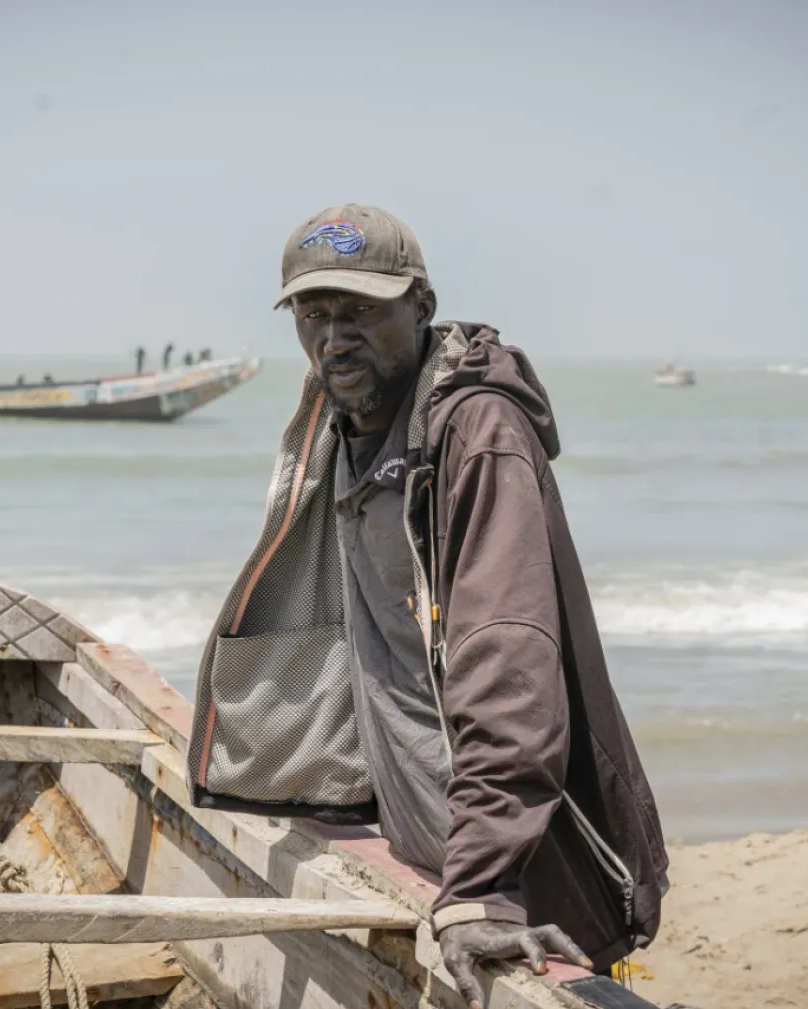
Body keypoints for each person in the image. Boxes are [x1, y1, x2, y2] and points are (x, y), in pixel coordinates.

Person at [190, 205, 667, 1006]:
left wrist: (482, 886)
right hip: (429, 844)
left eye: (360, 311)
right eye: (314, 313)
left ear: (421, 307)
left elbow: (507, 660)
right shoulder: (341, 422)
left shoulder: (476, 433)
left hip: (522, 868)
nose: (334, 336)